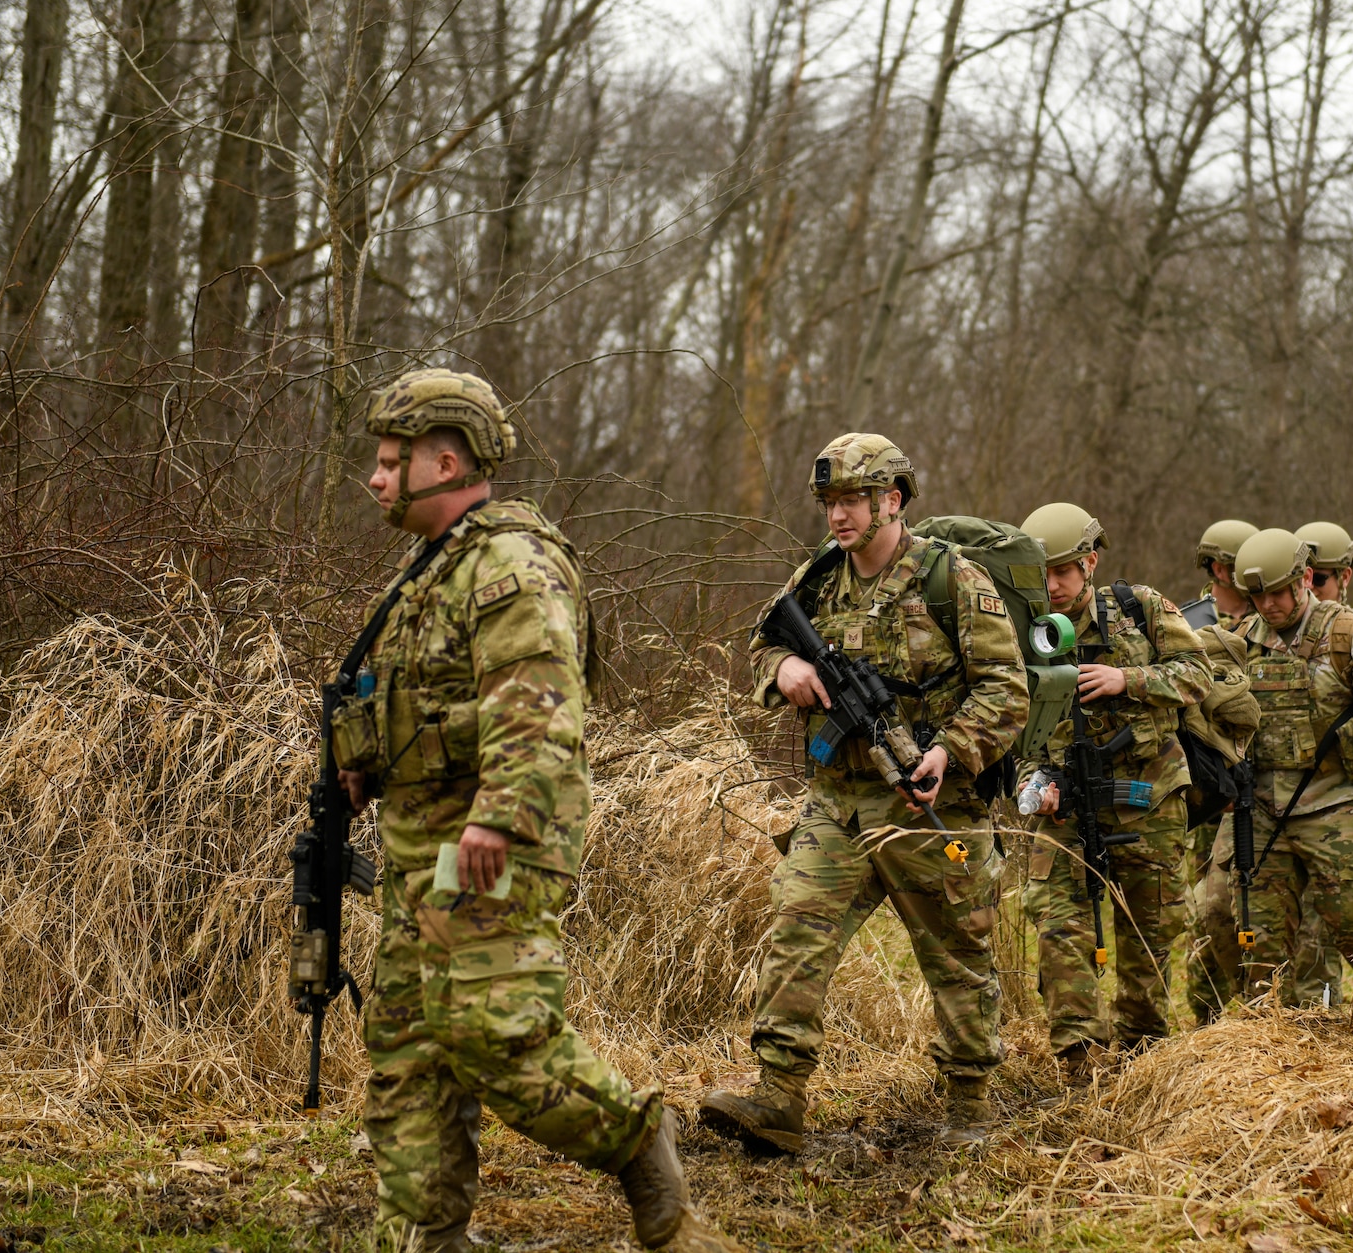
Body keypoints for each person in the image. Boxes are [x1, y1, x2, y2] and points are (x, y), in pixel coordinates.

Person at [334, 369, 717, 1252]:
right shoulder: (430, 569)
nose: (377, 477)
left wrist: (497, 816)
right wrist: (367, 767)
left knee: (494, 1035)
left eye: (394, 462)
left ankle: (635, 1142)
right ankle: (427, 1235)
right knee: (409, 1050)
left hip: (492, 844)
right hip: (422, 845)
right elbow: (428, 705)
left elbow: (539, 703)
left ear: (447, 460)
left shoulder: (511, 563)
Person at [701, 435, 1028, 1151]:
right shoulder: (817, 578)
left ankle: (969, 1105)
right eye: (829, 502)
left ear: (893, 499)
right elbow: (765, 639)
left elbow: (1008, 690)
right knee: (794, 925)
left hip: (927, 802)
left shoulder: (953, 580)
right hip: (838, 799)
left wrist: (951, 749)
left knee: (957, 954)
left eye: (852, 500)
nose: (839, 515)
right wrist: (782, 668)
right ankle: (779, 1095)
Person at [1014, 503, 1211, 1081]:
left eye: (1063, 572)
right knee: (1057, 929)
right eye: (1041, 574)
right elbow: (1011, 716)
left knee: (1149, 938)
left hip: (1147, 797)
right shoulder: (1023, 629)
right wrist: (1033, 778)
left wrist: (1131, 678)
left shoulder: (1139, 609)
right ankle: (1079, 1065)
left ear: (1090, 563)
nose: (1051, 586)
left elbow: (1201, 675)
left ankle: (1143, 1057)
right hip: (1066, 804)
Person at [1215, 529, 1353, 1001]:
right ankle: (1276, 1046)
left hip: (1340, 805)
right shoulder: (1241, 642)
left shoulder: (1351, 637)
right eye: (1257, 596)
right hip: (1265, 813)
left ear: (1306, 578)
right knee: (1258, 945)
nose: (1267, 605)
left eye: (1276, 593)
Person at [1180, 519, 1267, 1022]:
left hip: (1262, 788)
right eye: (1241, 567)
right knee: (1204, 914)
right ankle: (1205, 1021)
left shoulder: (1271, 626)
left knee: (1259, 906)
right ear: (1217, 567)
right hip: (1203, 789)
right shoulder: (1184, 624)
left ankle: (1263, 1014)